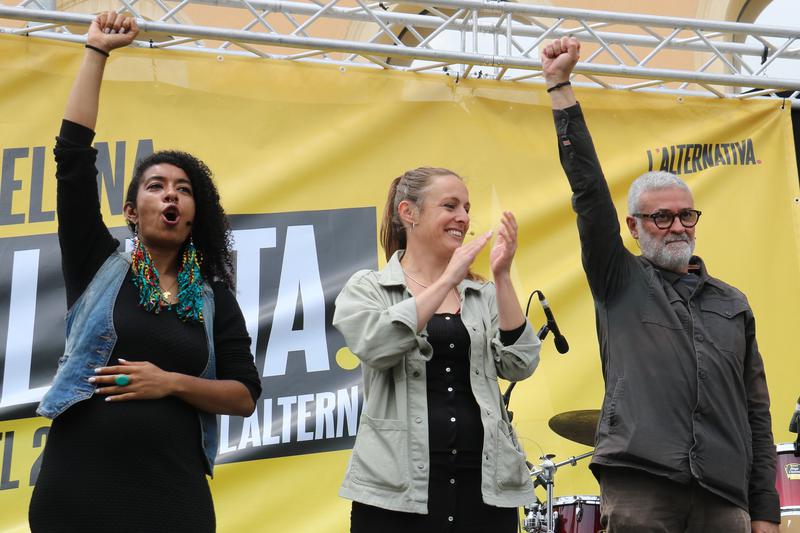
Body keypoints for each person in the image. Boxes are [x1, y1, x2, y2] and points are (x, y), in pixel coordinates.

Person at [28, 12, 261, 533]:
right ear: (132, 211)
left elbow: (244, 396)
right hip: (77, 493)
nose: (171, 194)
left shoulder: (213, 296)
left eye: (183, 188)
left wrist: (170, 382)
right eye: (156, 186)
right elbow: (72, 158)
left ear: (195, 212)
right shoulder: (97, 264)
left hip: (172, 498)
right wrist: (96, 52)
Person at [542, 36, 780, 533]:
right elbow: (588, 190)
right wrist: (561, 88)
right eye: (661, 217)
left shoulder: (732, 303)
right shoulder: (619, 278)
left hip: (723, 496)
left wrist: (765, 511)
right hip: (642, 485)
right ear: (633, 227)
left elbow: (756, 414)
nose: (678, 226)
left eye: (686, 215)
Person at [332, 167, 541, 532]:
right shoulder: (370, 287)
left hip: (484, 484)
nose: (463, 217)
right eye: (450, 205)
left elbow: (520, 363)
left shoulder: (481, 295)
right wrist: (447, 279)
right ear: (408, 213)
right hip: (397, 489)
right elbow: (377, 345)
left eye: (466, 207)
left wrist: (503, 276)